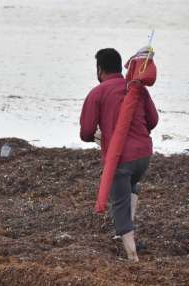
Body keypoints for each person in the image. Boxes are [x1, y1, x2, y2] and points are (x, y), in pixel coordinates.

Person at [79, 48, 158, 262]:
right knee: (131, 186)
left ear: (99, 69)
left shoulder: (98, 92)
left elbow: (86, 132)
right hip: (143, 156)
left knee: (120, 202)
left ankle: (132, 254)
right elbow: (153, 121)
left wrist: (100, 135)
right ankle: (125, 236)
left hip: (121, 158)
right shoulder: (137, 87)